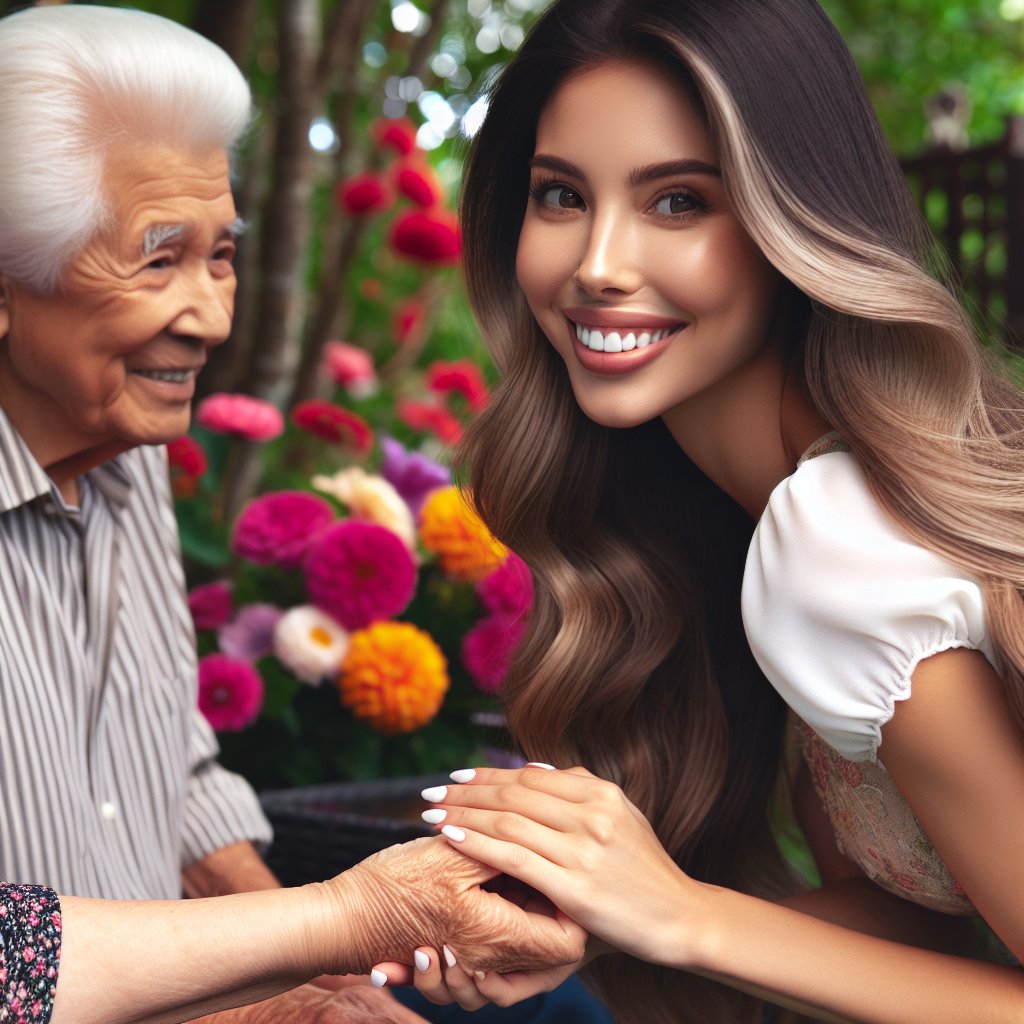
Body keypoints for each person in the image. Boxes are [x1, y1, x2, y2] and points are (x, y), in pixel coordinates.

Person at [407, 0, 1024, 1021]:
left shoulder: (841, 544)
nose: (598, 264)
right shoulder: (769, 507)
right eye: (560, 195)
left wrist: (686, 916)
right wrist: (595, 907)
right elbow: (925, 920)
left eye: (679, 202)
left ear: (799, 221)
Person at [0, 5, 584, 1022]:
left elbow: (177, 778)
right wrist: (341, 928)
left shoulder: (123, 462)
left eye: (219, 255)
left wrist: (329, 986)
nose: (212, 315)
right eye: (156, 257)